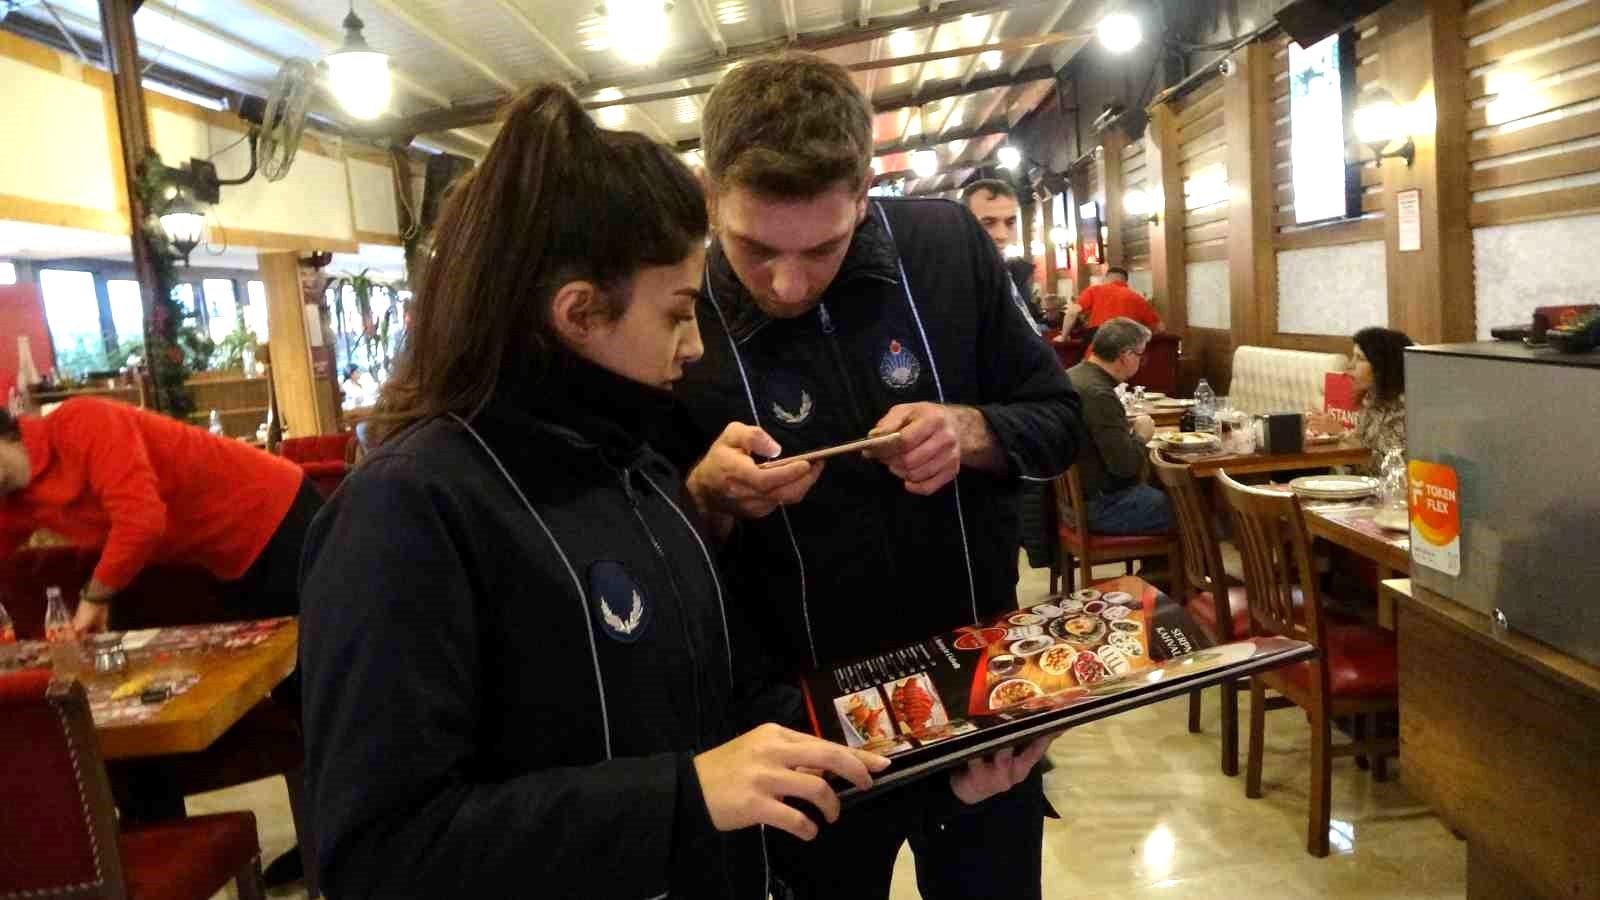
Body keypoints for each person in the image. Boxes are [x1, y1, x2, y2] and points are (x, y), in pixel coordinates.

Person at [297, 84, 887, 900]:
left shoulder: (637, 469)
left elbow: (720, 708)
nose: (695, 345)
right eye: (679, 313)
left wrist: (923, 747)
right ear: (578, 312)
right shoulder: (409, 511)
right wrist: (684, 795)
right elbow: (380, 853)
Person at [665, 53, 1085, 900]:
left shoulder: (942, 244)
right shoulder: (675, 303)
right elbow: (636, 548)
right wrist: (702, 497)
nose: (786, 282)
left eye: (822, 248)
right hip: (796, 732)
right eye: (753, 249)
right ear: (711, 196)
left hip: (978, 702)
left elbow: (1060, 422)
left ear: (864, 192)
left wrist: (971, 430)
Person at [0, 397, 321, 634]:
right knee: (287, 678)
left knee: (322, 667)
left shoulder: (81, 422)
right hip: (222, 555)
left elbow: (141, 521)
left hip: (279, 510)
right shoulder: (13, 500)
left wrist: (94, 598)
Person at [1065, 318, 1174, 535]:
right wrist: (1142, 436)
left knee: (1163, 491)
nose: (1142, 362)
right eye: (1141, 355)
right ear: (1126, 355)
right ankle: (1186, 568)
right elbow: (1124, 467)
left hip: (1073, 502)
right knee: (1189, 505)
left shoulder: (1073, 375)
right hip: (1101, 506)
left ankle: (1156, 568)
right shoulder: (1099, 393)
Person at [1306, 326, 1413, 473]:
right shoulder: (1371, 400)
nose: (1350, 366)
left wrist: (1340, 434)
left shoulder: (1403, 410)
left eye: (1360, 358)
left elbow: (1389, 469)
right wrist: (1330, 432)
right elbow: (1360, 447)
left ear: (1383, 365)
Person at [961, 178, 1040, 320]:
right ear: (962, 224)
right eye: (988, 223)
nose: (1002, 235)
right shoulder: (946, 282)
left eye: (1010, 222)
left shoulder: (1017, 275)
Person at [1067, 265, 1162, 333]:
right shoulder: (1137, 298)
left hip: (1098, 349)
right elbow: (1159, 327)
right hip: (1127, 350)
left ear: (1106, 278)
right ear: (1125, 281)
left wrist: (1063, 337)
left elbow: (1072, 313)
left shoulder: (1094, 290)